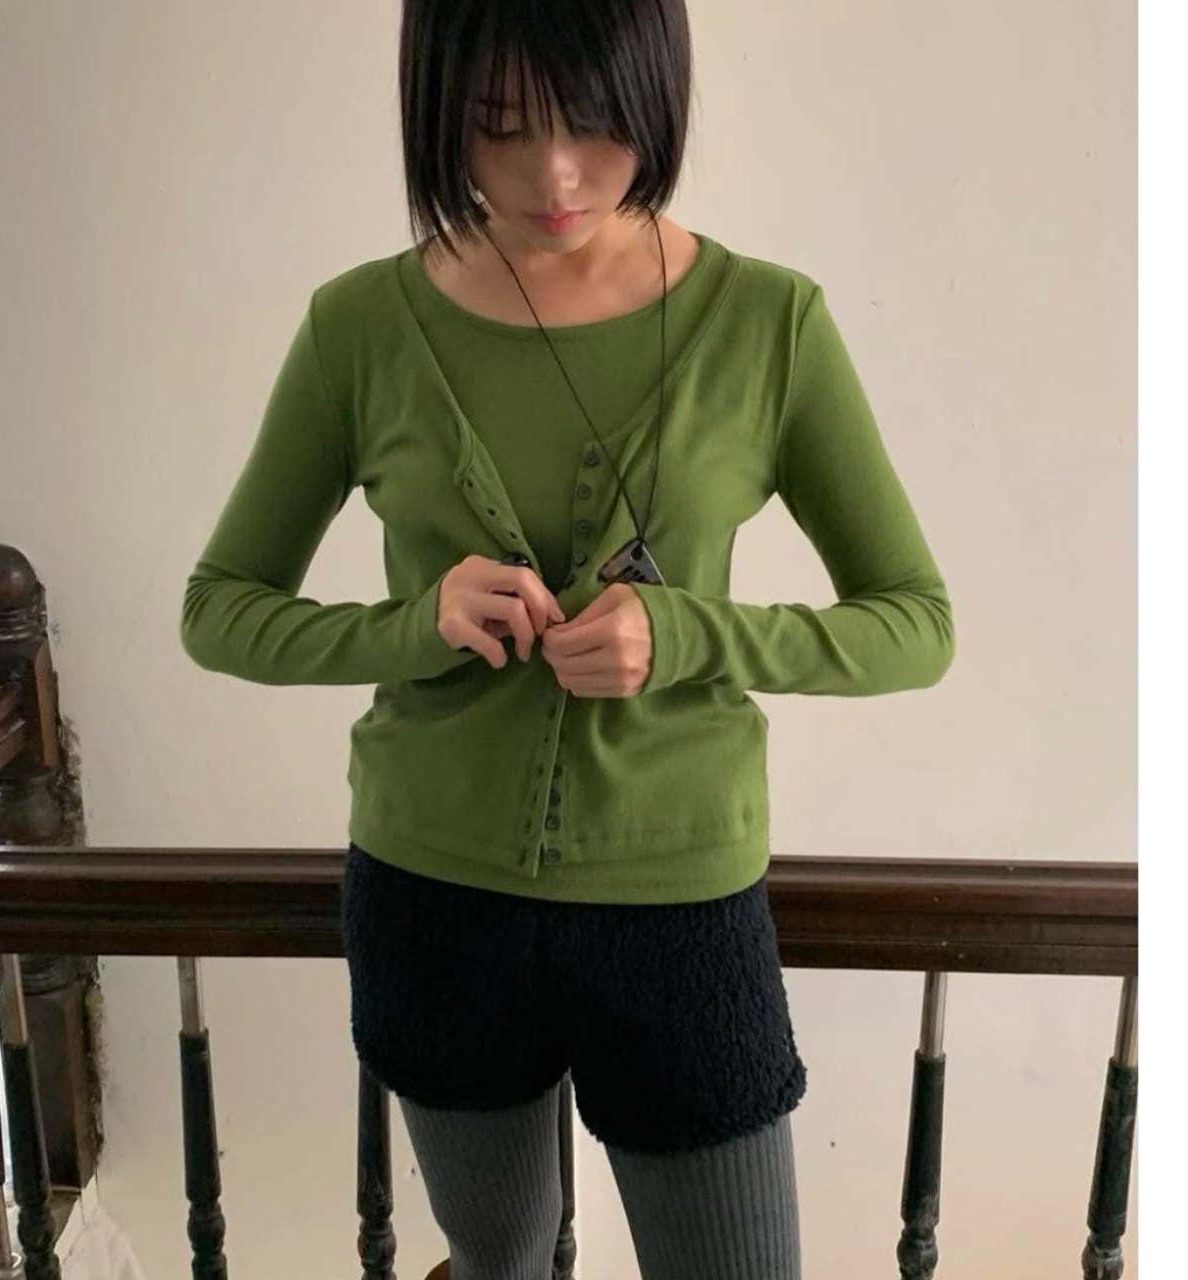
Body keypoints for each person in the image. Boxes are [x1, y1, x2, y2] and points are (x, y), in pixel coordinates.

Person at [180, 1, 956, 1275]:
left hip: (678, 903)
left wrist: (686, 630)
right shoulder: (359, 328)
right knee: (496, 1262)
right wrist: (417, 623)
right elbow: (220, 605)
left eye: (594, 123)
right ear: (438, 112)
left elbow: (912, 622)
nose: (552, 176)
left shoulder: (767, 324)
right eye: (498, 128)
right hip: (433, 896)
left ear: (655, 94)